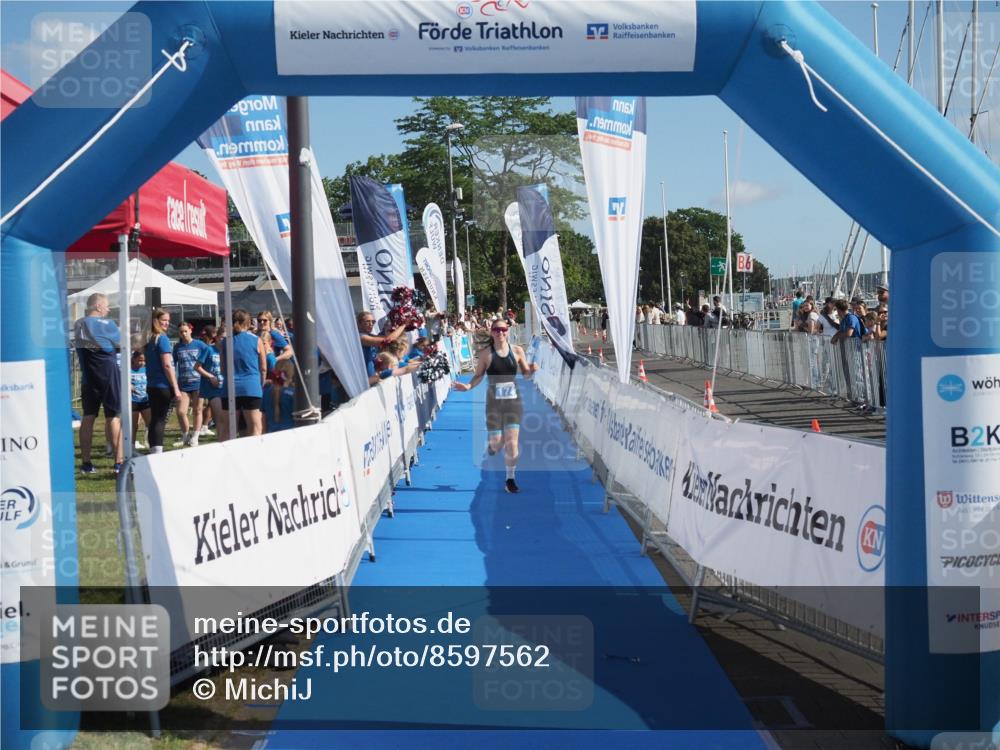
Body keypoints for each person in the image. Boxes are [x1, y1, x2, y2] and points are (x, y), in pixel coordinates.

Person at [451, 320, 539, 494]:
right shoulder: (486, 354)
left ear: (508, 331)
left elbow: (526, 375)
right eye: (497, 330)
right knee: (497, 444)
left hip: (513, 402)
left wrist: (532, 369)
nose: (500, 333)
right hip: (494, 404)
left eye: (503, 329)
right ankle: (494, 445)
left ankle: (510, 479)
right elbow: (478, 376)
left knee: (512, 443)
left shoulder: (517, 351)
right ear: (492, 332)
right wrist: (468, 386)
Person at [73, 293, 124, 473]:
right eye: (107, 306)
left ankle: (86, 463)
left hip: (88, 377)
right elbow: (122, 343)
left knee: (88, 416)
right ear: (99, 306)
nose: (108, 310)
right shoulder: (108, 324)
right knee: (114, 417)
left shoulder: (79, 323)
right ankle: (119, 463)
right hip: (108, 375)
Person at [220, 309, 267, 439]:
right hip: (251, 387)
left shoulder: (225, 342)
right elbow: (263, 368)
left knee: (228, 430)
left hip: (229, 387)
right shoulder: (256, 340)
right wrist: (261, 384)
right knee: (255, 428)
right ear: (248, 322)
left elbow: (222, 368)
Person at [144, 308, 181, 454]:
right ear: (155, 321)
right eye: (163, 320)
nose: (166, 323)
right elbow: (167, 365)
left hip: (152, 385)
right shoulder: (162, 339)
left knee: (155, 419)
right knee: (160, 420)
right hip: (162, 385)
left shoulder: (149, 339)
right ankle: (157, 452)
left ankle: (154, 449)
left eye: (168, 321)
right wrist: (175, 387)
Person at [172, 321, 214, 447]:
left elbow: (210, 354)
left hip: (198, 383)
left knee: (197, 410)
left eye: (186, 331)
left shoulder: (200, 345)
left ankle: (195, 436)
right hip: (183, 384)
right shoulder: (177, 347)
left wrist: (209, 372)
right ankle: (185, 435)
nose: (183, 334)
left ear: (190, 331)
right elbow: (173, 364)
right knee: (181, 411)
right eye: (181, 332)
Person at [198, 325, 226, 442]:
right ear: (217, 337)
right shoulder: (209, 349)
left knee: (225, 419)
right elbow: (197, 367)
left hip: (225, 387)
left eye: (226, 338)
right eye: (222, 337)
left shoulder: (228, 351)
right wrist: (211, 377)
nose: (224, 340)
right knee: (219, 418)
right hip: (213, 388)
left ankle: (224, 440)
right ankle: (221, 441)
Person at [130, 350, 151, 453]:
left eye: (144, 360)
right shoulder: (128, 370)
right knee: (134, 426)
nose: (142, 363)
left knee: (150, 423)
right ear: (134, 359)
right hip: (133, 401)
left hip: (145, 400)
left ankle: (151, 443)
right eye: (140, 360)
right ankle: (131, 446)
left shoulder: (146, 369)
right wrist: (129, 385)